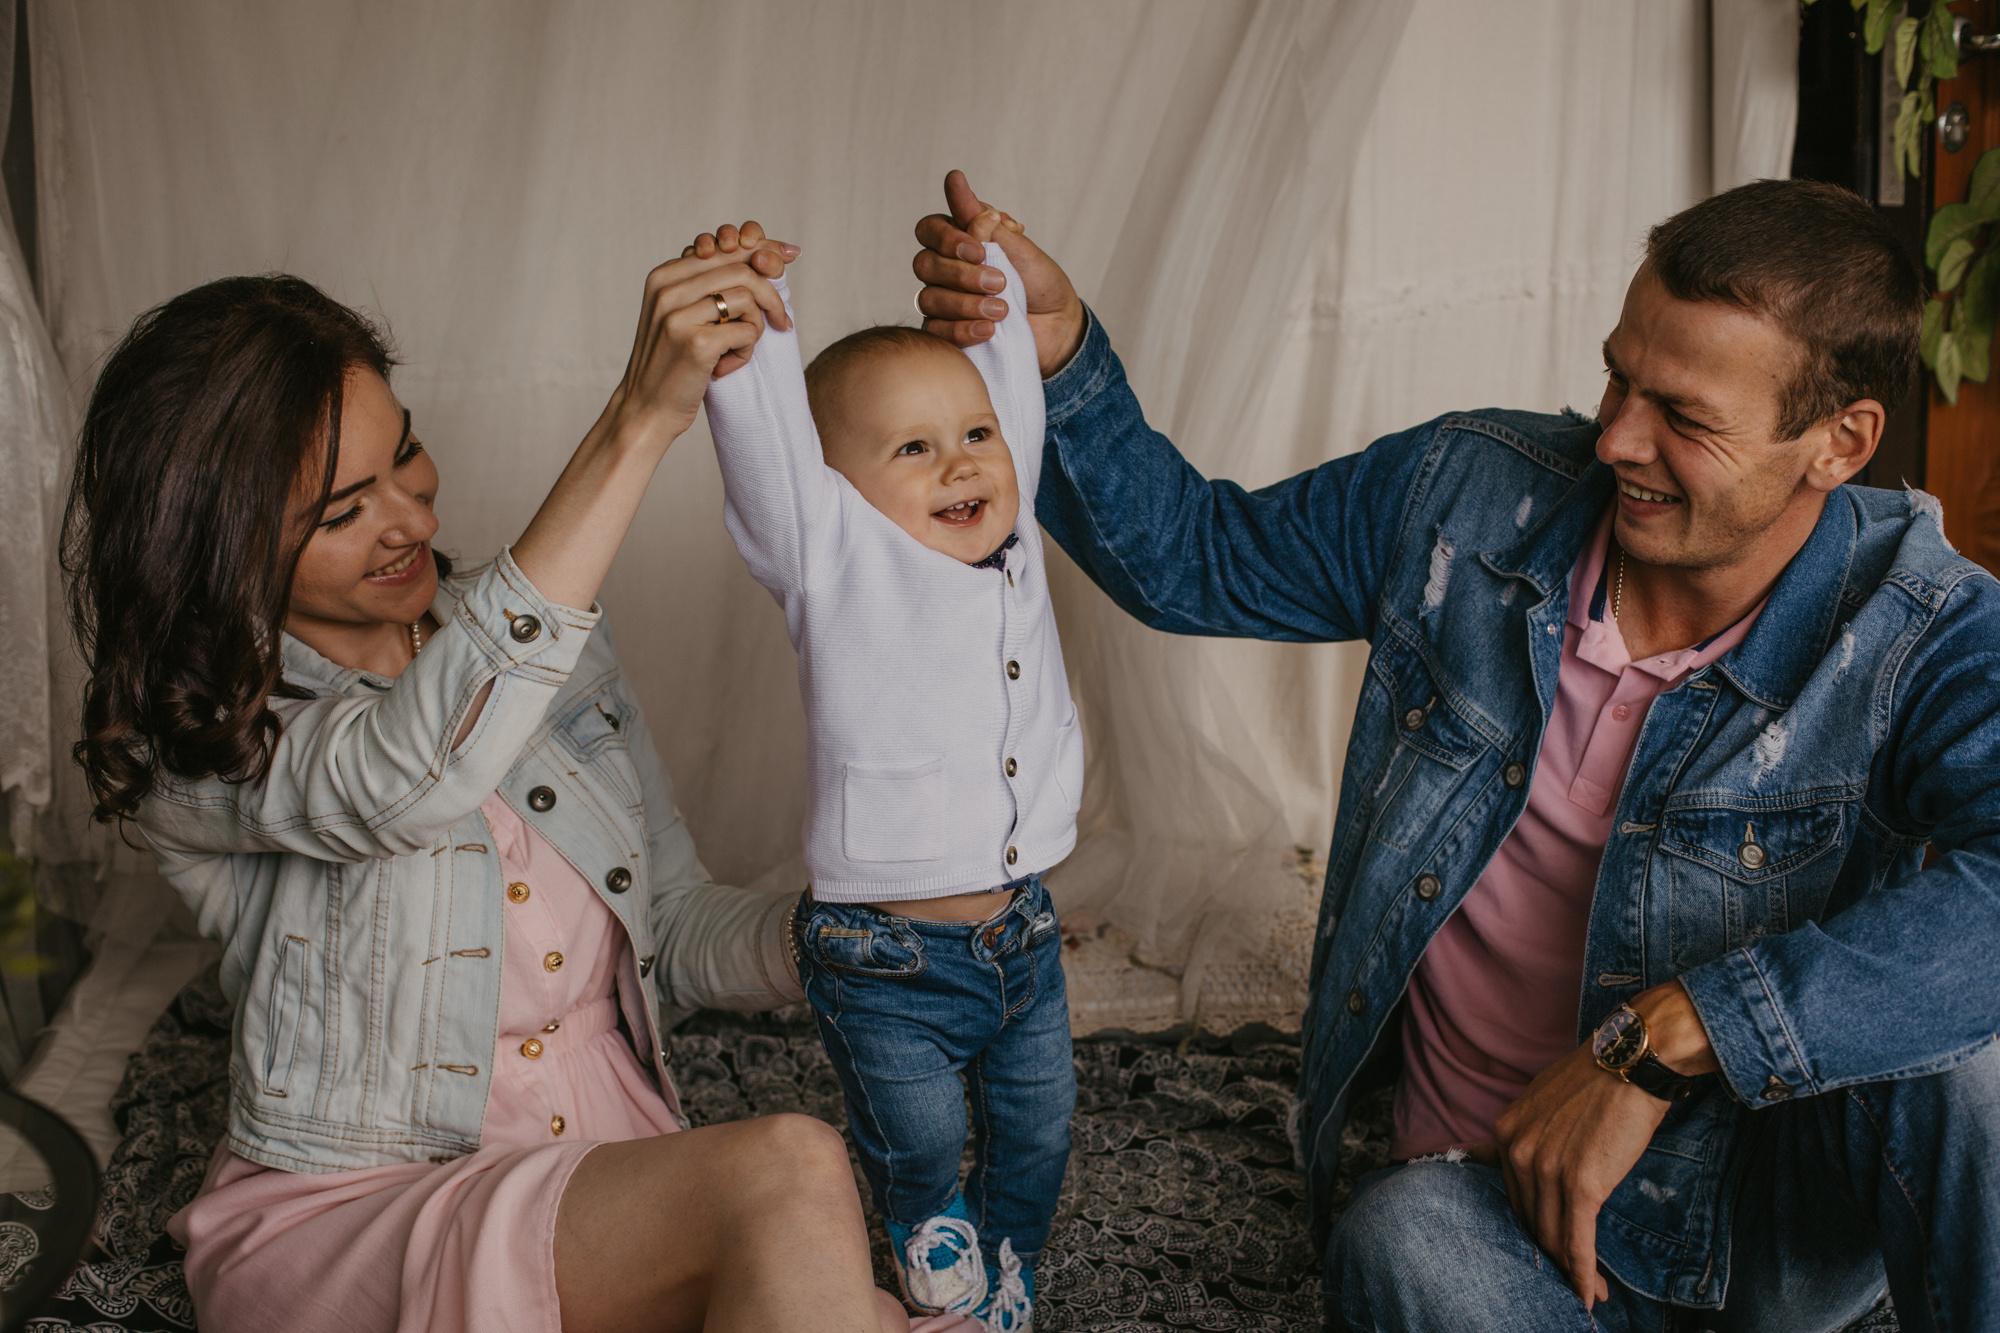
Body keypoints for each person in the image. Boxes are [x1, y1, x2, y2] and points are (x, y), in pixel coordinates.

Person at [912, 171, 2000, 1331]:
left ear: (1838, 442)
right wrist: (1058, 356)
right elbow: (1194, 557)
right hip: (1489, 1209)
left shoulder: (1921, 627)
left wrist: (1667, 1037)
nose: (1617, 440)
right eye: (1616, 380)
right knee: (1398, 1241)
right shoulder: (1466, 496)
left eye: (1683, 419)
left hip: (1758, 1234)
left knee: (1965, 1068)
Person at [62, 227, 950, 1333]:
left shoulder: (561, 645)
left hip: (603, 1179)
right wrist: (638, 417)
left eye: (406, 454)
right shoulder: (201, 738)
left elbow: (671, 927)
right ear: (221, 549)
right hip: (358, 1209)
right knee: (791, 1169)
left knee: (852, 1307)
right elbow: (408, 773)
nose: (412, 518)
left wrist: (857, 931)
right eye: (342, 512)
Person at [690, 225, 1078, 1333]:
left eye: (972, 436)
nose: (960, 462)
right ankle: (931, 1234)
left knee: (1039, 1125)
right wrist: (752, 332)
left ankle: (1008, 1264)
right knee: (919, 1136)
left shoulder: (1012, 530)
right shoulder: (831, 557)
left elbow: (1007, 393)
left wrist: (993, 291)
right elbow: (770, 461)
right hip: (883, 956)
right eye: (912, 448)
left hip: (1022, 934)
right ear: (834, 491)